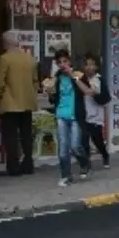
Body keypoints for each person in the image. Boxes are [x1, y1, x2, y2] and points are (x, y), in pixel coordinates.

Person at [43, 49, 92, 186]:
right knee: (63, 148)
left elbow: (87, 91)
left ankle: (85, 163)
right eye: (59, 62)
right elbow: (54, 99)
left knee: (75, 146)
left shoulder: (78, 75)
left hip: (75, 115)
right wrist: (49, 92)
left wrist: (72, 76)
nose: (63, 65)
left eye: (65, 61)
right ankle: (66, 176)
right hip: (61, 115)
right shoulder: (57, 78)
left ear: (69, 61)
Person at [0, 31, 39, 176]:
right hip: (27, 102)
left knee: (11, 136)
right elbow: (35, 81)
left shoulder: (4, 59)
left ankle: (13, 167)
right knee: (26, 135)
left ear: (6, 42)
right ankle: (28, 164)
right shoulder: (30, 58)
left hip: (10, 103)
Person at [78, 53, 110, 169]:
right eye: (87, 65)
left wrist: (95, 94)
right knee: (84, 140)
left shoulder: (100, 80)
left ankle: (105, 155)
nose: (89, 67)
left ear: (96, 66)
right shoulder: (80, 80)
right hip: (84, 115)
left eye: (92, 64)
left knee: (98, 141)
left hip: (96, 116)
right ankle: (86, 164)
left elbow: (106, 99)